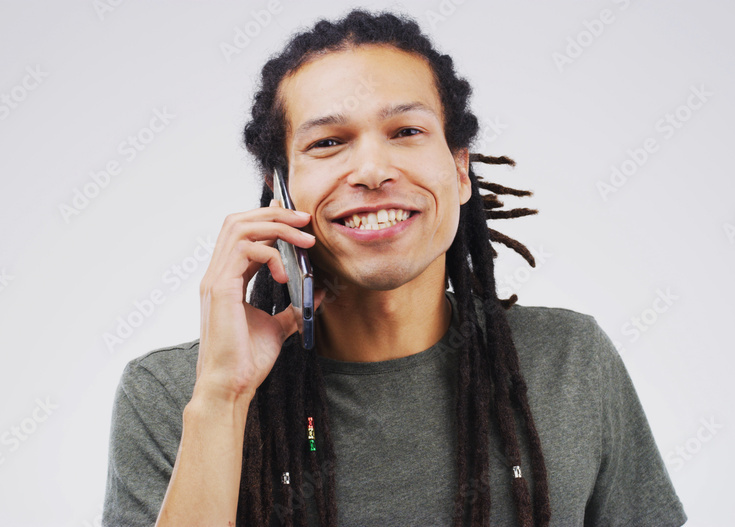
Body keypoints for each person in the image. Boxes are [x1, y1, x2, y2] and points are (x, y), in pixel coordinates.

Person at [103, 9, 687, 527]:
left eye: (406, 132)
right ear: (278, 189)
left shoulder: (570, 361)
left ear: (460, 170)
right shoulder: (171, 395)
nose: (372, 170)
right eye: (328, 143)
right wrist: (223, 398)